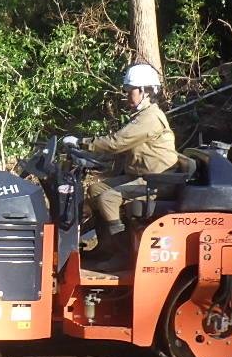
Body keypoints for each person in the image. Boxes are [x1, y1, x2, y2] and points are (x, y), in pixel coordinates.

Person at [63, 63, 179, 270]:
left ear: (144, 91)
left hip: (159, 181)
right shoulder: (142, 116)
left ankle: (122, 256)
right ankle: (106, 247)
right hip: (143, 177)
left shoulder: (150, 118)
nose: (126, 96)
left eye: (130, 91)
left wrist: (82, 142)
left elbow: (116, 143)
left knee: (109, 198)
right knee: (96, 189)